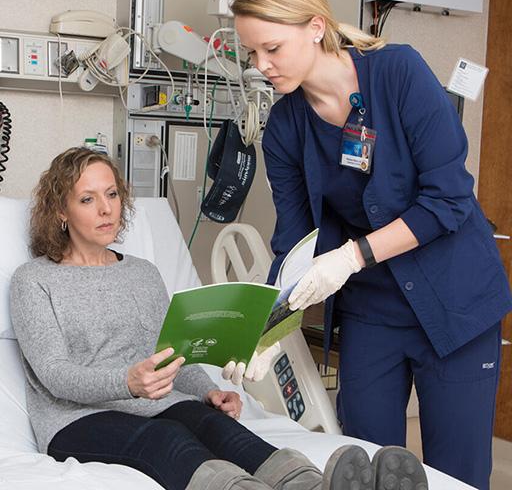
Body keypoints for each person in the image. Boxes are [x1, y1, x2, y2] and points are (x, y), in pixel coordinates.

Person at [9, 147, 428, 490]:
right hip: (76, 419)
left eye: (112, 195)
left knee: (216, 427)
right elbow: (54, 374)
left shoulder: (141, 272)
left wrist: (208, 392)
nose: (106, 209)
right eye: (87, 199)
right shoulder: (34, 281)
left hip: (156, 403)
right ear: (60, 212)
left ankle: (312, 486)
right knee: (167, 439)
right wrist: (128, 382)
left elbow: (174, 352)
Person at [231, 0, 512, 490]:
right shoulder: (284, 128)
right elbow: (295, 240)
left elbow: (448, 198)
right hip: (372, 312)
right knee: (362, 463)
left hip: (454, 300)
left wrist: (352, 257)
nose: (261, 64)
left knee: (457, 474)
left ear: (316, 27)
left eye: (272, 48)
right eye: (252, 51)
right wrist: (269, 325)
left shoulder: (397, 73)